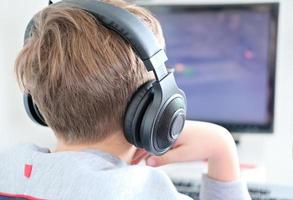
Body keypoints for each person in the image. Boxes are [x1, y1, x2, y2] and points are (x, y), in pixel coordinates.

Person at [0, 0, 250, 199]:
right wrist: (222, 148)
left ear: (37, 103)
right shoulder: (142, 191)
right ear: (154, 110)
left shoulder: (8, 169)